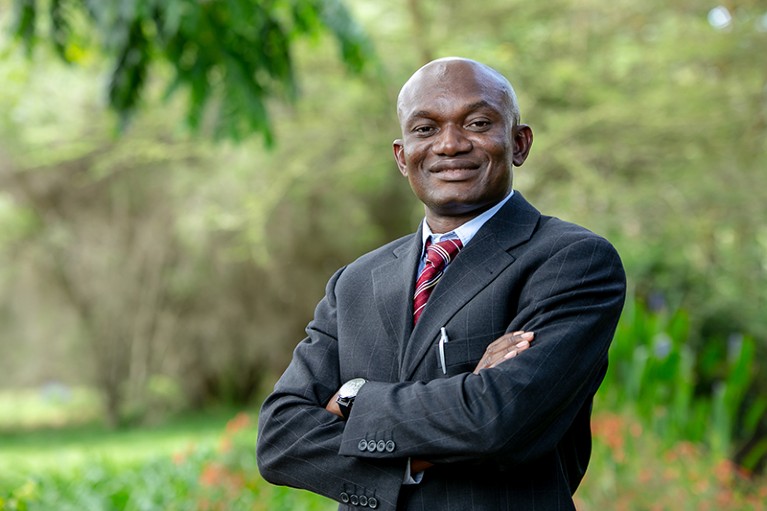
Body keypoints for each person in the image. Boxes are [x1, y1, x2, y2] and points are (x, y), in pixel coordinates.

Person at [257, 57, 626, 511]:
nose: (450, 145)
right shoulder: (354, 282)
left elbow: (498, 420)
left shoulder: (573, 261)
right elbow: (280, 438)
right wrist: (462, 400)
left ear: (519, 143)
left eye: (477, 123)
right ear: (402, 156)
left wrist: (351, 399)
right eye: (426, 129)